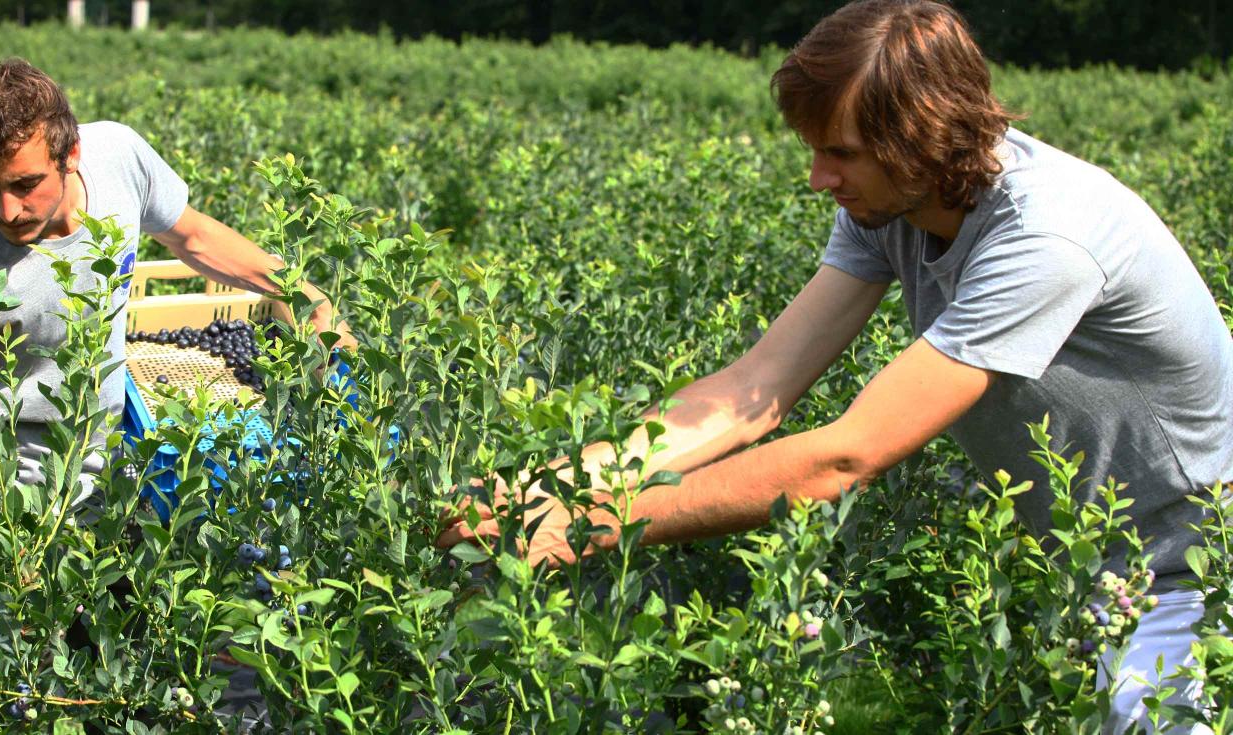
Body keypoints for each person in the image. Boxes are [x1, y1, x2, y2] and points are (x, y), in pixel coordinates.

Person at [436, 1, 1233, 732]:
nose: (819, 178)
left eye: (840, 153)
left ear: (923, 137)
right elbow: (756, 389)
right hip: (1104, 573)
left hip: (1200, 571)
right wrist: (550, 487)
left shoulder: (1046, 240)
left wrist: (590, 525)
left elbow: (847, 455)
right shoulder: (892, 204)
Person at [0, 58, 352, 547]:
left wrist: (296, 290)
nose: (7, 210)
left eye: (25, 184)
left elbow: (195, 237)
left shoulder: (118, 156)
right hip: (11, 508)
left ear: (71, 152)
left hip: (117, 477)